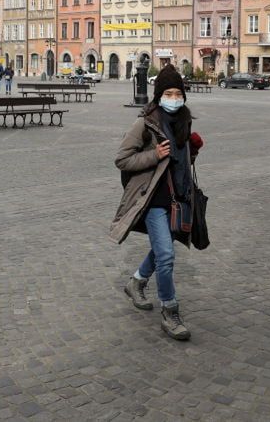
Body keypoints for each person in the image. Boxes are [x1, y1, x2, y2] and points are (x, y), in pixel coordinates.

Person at [112, 65, 201, 341]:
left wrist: (192, 150)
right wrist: (154, 155)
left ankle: (137, 281)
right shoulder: (145, 123)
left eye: (178, 93)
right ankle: (169, 310)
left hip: (177, 200)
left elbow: (180, 164)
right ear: (159, 95)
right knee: (166, 256)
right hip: (151, 199)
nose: (174, 98)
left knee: (162, 250)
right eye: (168, 93)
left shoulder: (184, 121)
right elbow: (122, 159)